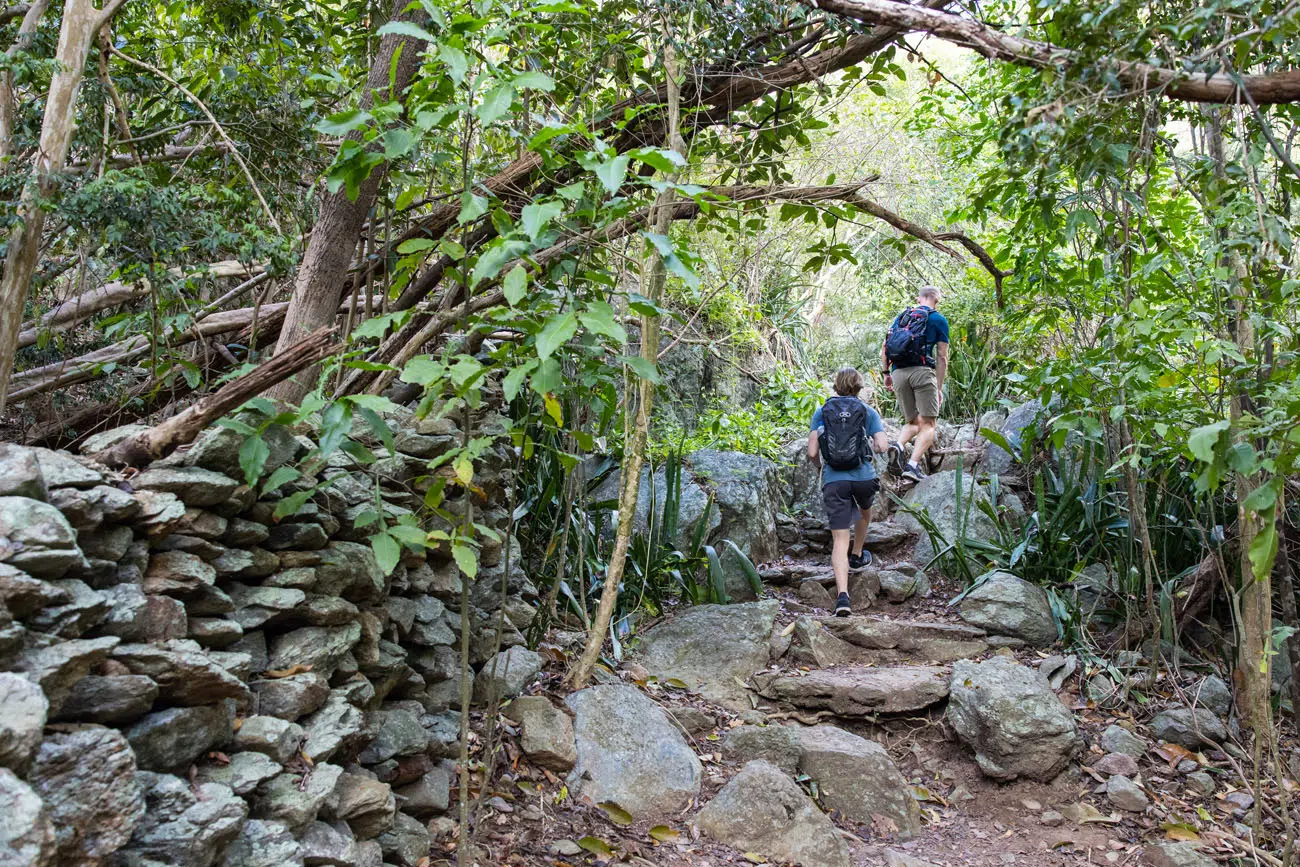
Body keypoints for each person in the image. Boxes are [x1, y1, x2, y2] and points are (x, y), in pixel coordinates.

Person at [808, 366, 888, 617]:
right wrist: (873, 446)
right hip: (864, 477)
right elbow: (882, 446)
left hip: (835, 481)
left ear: (836, 385)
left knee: (839, 539)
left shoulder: (822, 411)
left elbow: (812, 452)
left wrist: (820, 467)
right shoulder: (867, 411)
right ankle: (858, 554)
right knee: (865, 511)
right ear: (859, 387)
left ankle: (843, 597)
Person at [881, 285, 950, 482]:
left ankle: (898, 445)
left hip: (898, 373)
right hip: (922, 372)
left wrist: (886, 374)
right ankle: (912, 466)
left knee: (913, 422)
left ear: (918, 299)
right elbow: (942, 356)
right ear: (937, 300)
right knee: (928, 424)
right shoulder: (938, 320)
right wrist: (938, 388)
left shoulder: (902, 317)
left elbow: (885, 347)